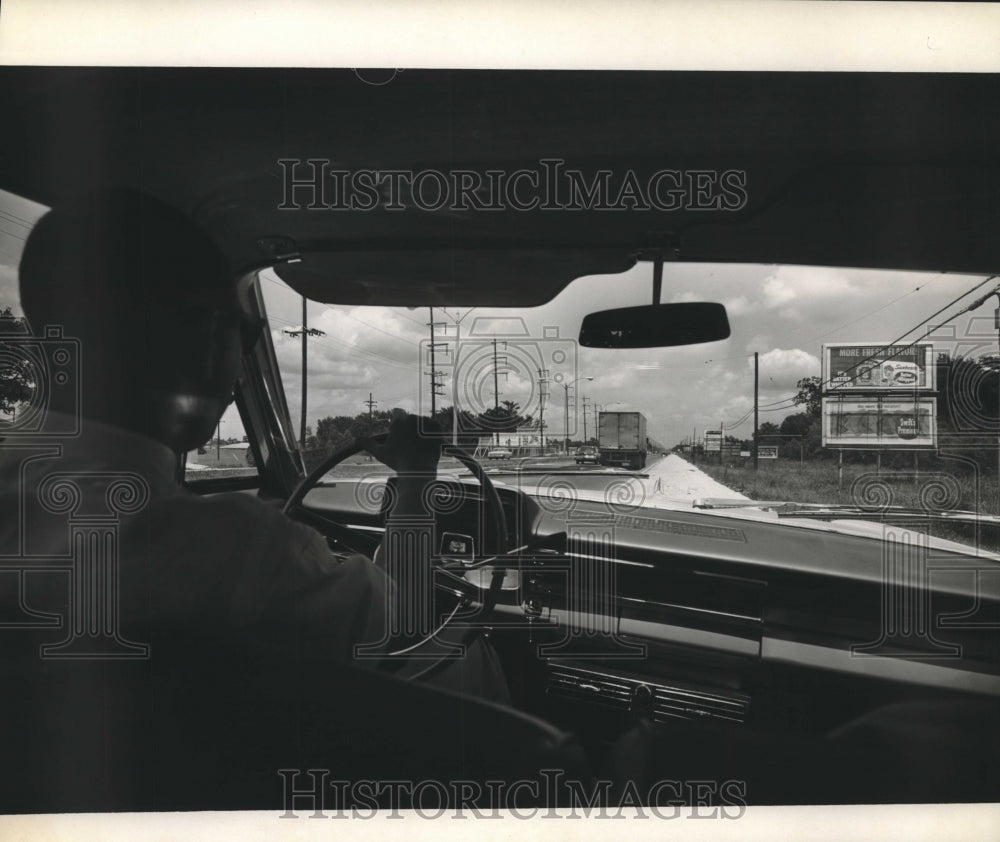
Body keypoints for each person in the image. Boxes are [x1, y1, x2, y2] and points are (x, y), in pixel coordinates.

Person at [1, 188, 508, 700]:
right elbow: (404, 625)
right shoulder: (235, 551)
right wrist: (417, 477)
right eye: (244, 336)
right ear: (205, 342)